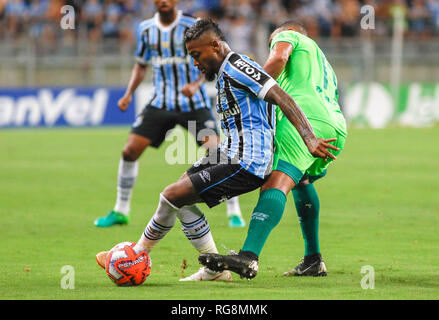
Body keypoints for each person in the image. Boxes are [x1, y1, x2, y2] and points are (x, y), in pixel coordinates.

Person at [96, 18, 338, 282]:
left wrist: (309, 138)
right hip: (229, 152)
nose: (195, 62)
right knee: (180, 196)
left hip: (248, 161)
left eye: (197, 55)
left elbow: (280, 96)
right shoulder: (224, 72)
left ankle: (137, 254)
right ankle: (214, 271)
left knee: (171, 195)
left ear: (215, 45)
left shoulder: (239, 66)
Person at [199, 20, 347, 279]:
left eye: (271, 41)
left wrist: (253, 88)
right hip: (334, 125)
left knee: (275, 183)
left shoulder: (290, 36)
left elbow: (279, 57)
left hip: (305, 116)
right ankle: (313, 259)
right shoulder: (321, 62)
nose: (271, 46)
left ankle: (248, 256)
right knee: (300, 181)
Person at [93, 0, 246, 229]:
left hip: (193, 104)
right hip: (161, 104)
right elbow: (141, 64)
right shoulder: (146, 29)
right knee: (129, 151)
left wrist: (196, 84)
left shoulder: (192, 24)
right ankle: (120, 210)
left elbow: (214, 58)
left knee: (217, 153)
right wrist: (128, 94)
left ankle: (234, 212)